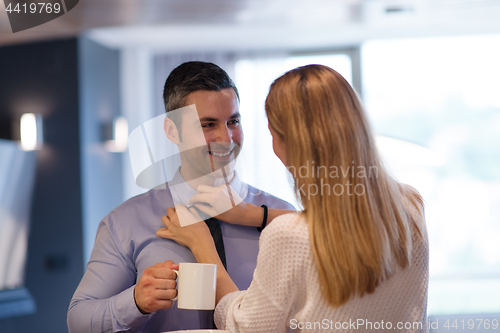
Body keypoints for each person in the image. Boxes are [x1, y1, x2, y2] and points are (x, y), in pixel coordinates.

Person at [158, 64, 429, 332]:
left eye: (272, 134)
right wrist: (253, 215)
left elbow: (245, 327)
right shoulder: (409, 205)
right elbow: (344, 221)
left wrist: (203, 246)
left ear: (289, 143)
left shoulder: (288, 237)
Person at [67, 61, 295, 333]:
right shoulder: (125, 222)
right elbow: (78, 320)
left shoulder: (283, 217)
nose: (226, 137)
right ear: (172, 131)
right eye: (208, 125)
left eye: (233, 121)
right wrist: (135, 301)